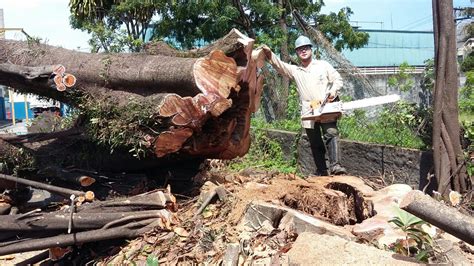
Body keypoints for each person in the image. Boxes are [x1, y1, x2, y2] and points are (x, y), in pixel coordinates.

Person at [262, 35, 347, 175]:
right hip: (308, 110)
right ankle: (321, 171)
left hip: (326, 106)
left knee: (331, 133)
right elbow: (280, 66)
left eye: (306, 48)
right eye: (300, 49)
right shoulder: (296, 71)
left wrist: (333, 91)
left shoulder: (323, 65)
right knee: (314, 141)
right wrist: (269, 54)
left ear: (311, 49)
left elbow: (337, 79)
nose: (303, 51)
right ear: (296, 52)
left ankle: (336, 166)